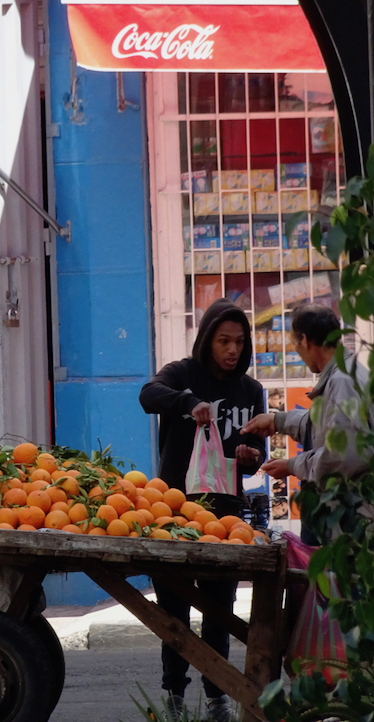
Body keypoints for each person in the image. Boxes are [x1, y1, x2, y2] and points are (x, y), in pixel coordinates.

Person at [139, 298, 267, 722]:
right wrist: (187, 403)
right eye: (223, 340)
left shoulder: (250, 391)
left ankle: (218, 697)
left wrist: (251, 456)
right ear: (207, 339)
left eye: (239, 341)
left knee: (218, 610)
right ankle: (174, 696)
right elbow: (148, 395)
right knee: (173, 610)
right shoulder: (182, 373)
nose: (232, 349)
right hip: (173, 509)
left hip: (224, 514)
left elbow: (257, 452)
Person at [240, 303, 369, 543]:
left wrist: (292, 465)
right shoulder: (343, 373)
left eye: (295, 345)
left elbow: (343, 455)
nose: (297, 351)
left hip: (350, 519)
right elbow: (326, 425)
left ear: (306, 341)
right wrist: (278, 420)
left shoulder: (343, 381)